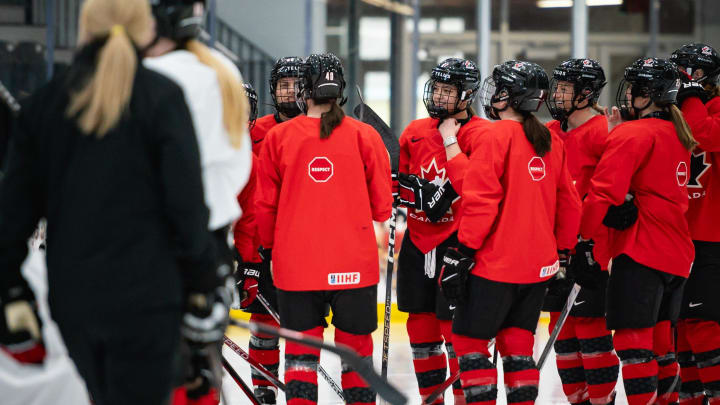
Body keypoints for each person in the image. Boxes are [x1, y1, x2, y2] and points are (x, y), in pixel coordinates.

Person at [0, 0, 227, 404]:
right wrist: (202, 287)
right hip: (150, 300)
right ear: (146, 30)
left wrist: (12, 290)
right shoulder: (164, 99)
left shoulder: (45, 105)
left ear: (83, 30)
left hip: (74, 301)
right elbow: (187, 209)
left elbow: (12, 216)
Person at [438, 60, 581, 405]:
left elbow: (480, 198)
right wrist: (563, 252)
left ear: (510, 96)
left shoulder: (494, 134)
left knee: (470, 344)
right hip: (538, 268)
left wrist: (463, 250)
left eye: (498, 88)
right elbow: (570, 203)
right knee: (518, 344)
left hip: (496, 265)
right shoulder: (549, 139)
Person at [256, 53, 392, 405]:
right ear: (340, 91)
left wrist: (270, 251)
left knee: (301, 357)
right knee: (357, 353)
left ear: (304, 90)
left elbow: (264, 208)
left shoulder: (278, 138)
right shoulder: (366, 136)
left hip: (297, 267)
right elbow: (382, 208)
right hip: (354, 267)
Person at [142, 1, 252, 403]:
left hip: (157, 244)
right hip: (212, 245)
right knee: (201, 367)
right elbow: (237, 170)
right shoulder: (224, 73)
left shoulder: (148, 77)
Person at [575, 57, 696, 405]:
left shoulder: (635, 133)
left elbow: (603, 194)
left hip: (641, 252)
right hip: (676, 255)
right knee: (661, 347)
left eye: (634, 90)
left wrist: (584, 240)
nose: (628, 96)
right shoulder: (678, 133)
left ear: (649, 94)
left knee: (632, 345)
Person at [395, 57, 487, 405]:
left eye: (449, 90)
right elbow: (400, 184)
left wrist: (446, 192)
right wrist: (409, 193)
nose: (439, 96)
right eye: (437, 88)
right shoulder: (414, 131)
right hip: (418, 241)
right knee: (419, 325)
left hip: (457, 243)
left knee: (455, 329)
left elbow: (480, 187)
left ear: (467, 95)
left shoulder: (480, 133)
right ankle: (429, 398)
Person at [543, 58, 620, 405]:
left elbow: (613, 192)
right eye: (556, 86)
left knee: (591, 330)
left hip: (593, 247)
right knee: (562, 333)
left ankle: (602, 401)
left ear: (586, 93)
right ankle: (579, 400)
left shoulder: (604, 130)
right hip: (557, 248)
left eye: (564, 88)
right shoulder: (550, 133)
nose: (556, 94)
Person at [233, 57, 305, 405]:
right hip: (260, 248)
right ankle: (264, 395)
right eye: (283, 85)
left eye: (295, 84)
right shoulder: (254, 129)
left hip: (303, 246)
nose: (289, 91)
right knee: (264, 327)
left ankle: (300, 393)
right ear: (273, 90)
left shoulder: (317, 129)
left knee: (301, 329)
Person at [671, 43, 720, 405]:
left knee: (704, 325)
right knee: (681, 329)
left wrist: (690, 99)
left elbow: (702, 133)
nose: (686, 79)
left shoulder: (712, 109)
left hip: (711, 237)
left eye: (693, 72)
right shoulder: (676, 110)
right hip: (676, 236)